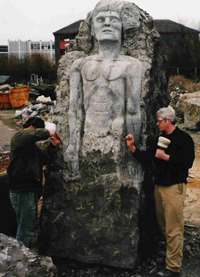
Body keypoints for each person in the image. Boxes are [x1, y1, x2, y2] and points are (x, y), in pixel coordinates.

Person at [65, 0, 143, 178]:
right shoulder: (80, 65)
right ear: (92, 29)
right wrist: (73, 146)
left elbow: (133, 111)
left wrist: (132, 156)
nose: (107, 23)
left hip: (117, 138)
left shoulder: (131, 65)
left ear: (122, 27)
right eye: (101, 19)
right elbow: (75, 109)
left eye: (113, 19)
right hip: (89, 136)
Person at [126, 107, 195, 277]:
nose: (157, 124)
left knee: (174, 228)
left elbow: (188, 162)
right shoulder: (160, 139)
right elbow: (148, 158)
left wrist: (167, 158)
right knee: (164, 225)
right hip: (160, 187)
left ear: (168, 120)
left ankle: (173, 269)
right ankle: (172, 255)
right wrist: (133, 148)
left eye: (159, 120)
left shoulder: (183, 139)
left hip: (174, 187)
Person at [7, 117, 61, 248]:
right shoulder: (19, 136)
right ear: (32, 127)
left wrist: (53, 146)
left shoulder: (30, 147)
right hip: (21, 190)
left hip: (28, 190)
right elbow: (33, 134)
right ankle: (21, 256)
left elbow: (44, 159)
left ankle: (23, 252)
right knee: (26, 227)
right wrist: (49, 132)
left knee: (28, 224)